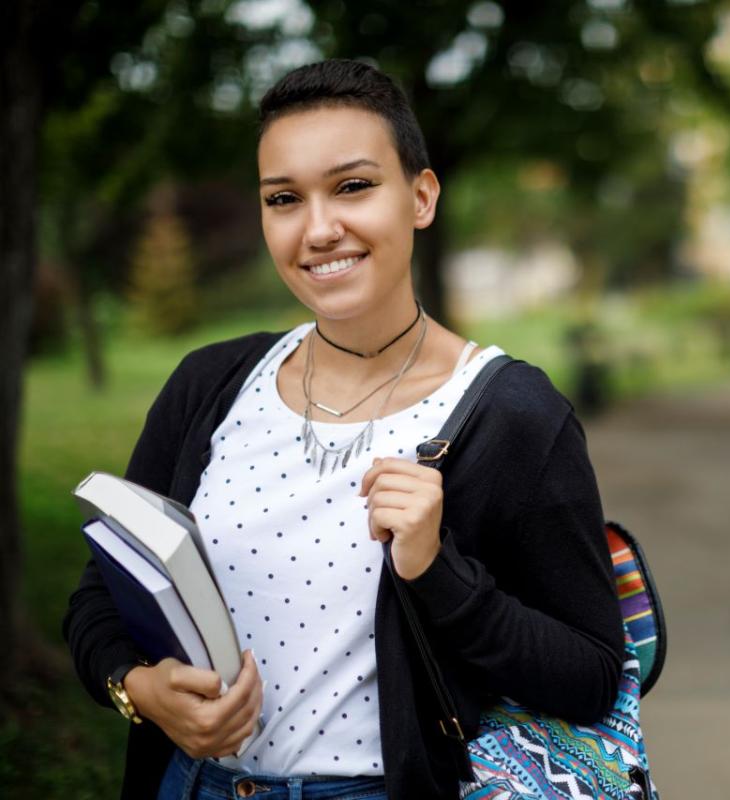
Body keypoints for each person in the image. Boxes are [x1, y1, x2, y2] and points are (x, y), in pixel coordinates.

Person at [63, 59, 625, 800]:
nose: (319, 229)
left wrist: (438, 572)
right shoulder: (211, 386)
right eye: (284, 198)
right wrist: (137, 688)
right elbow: (99, 594)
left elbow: (589, 674)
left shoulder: (513, 416)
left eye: (353, 187)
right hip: (189, 784)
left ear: (420, 197)